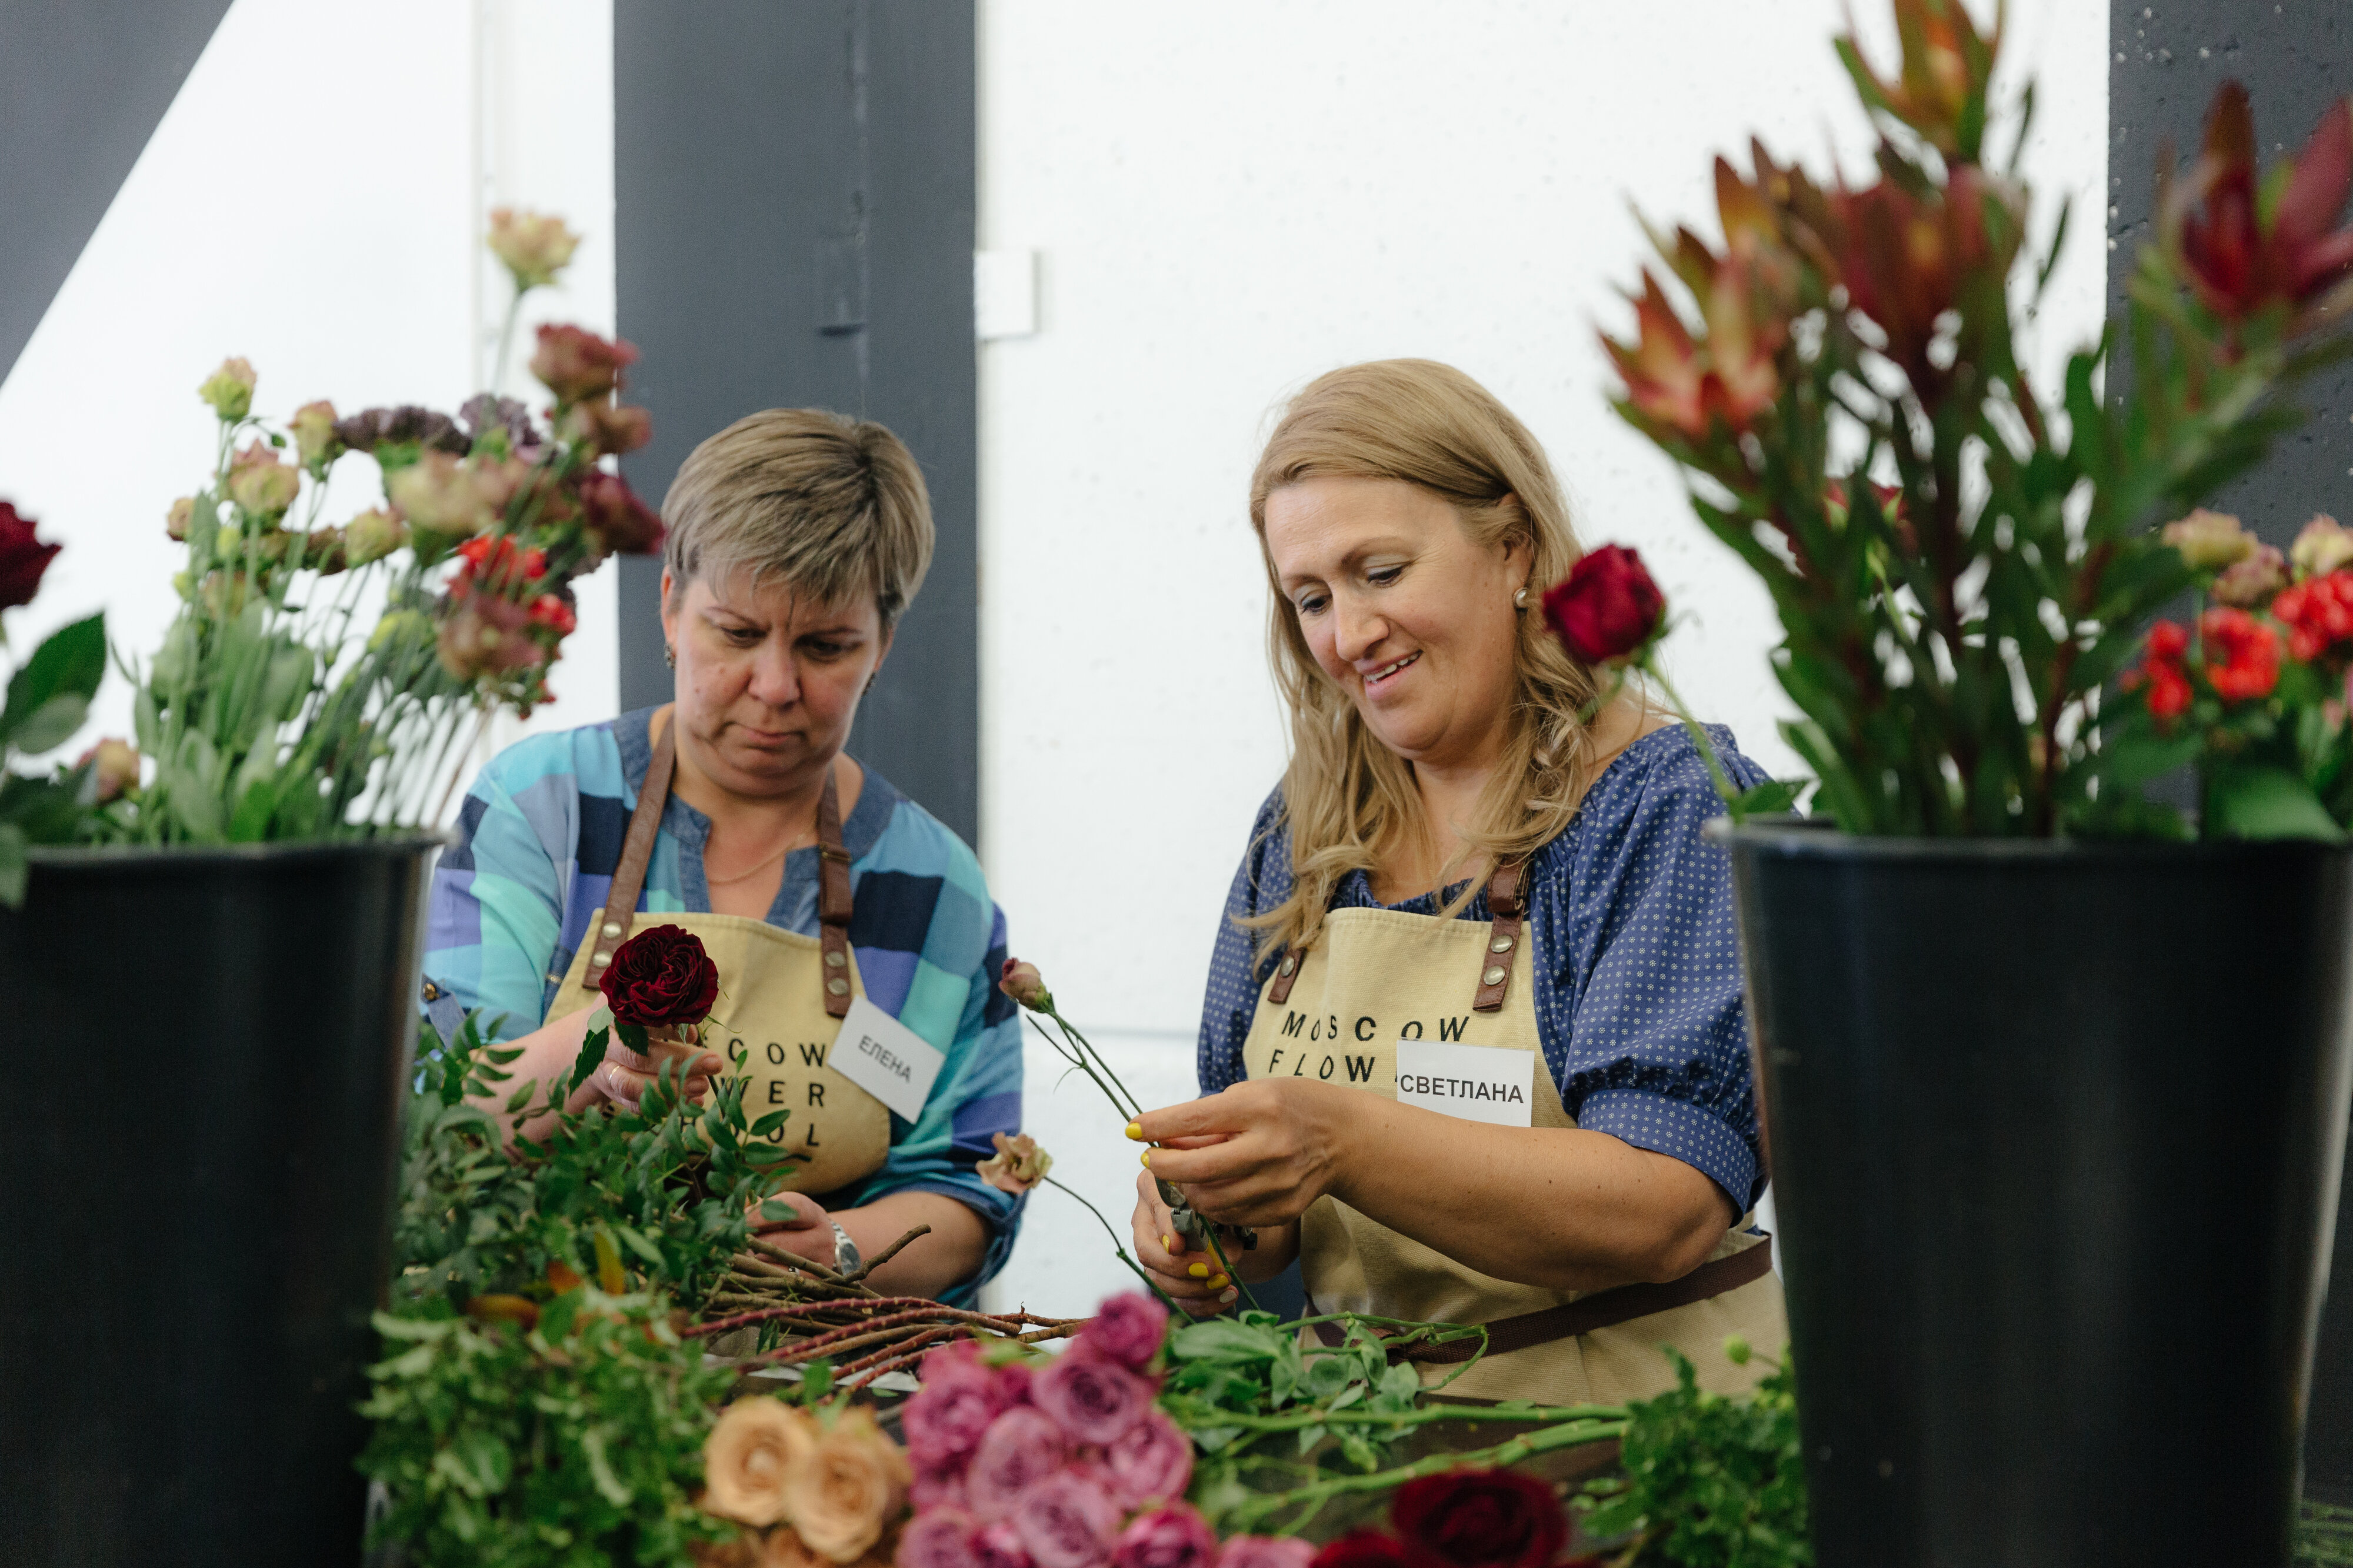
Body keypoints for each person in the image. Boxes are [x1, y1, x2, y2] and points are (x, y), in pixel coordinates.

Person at [1128, 360, 1787, 1403]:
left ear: (1514, 548)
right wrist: (1214, 1222)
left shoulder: (1659, 808)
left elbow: (1664, 1208)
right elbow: (1265, 1191)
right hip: (1369, 1440)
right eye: (1311, 598)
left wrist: (1338, 1138)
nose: (1347, 637)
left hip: (1637, 1440)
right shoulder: (1307, 826)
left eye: (1380, 572)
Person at [423, 409, 1023, 1305]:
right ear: (670, 606)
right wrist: (606, 1047)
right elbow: (448, 1109)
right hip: (548, 1346)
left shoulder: (934, 889)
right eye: (737, 633)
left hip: (821, 1379)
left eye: (826, 647)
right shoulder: (543, 808)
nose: (776, 686)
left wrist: (837, 1250)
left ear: (882, 645)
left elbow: (971, 1187)